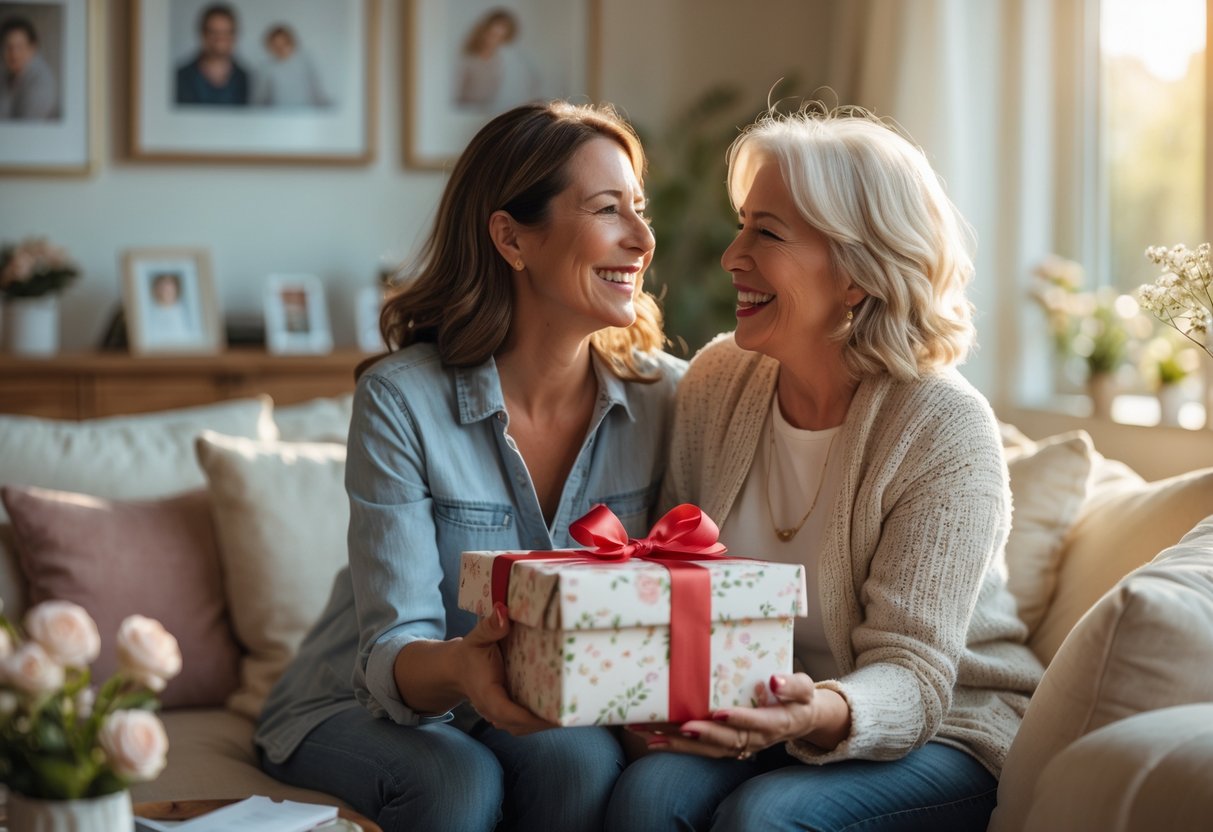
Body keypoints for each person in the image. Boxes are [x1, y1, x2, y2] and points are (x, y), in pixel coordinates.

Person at [607, 104, 1044, 831]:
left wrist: (814, 712)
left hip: (942, 726)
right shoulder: (719, 378)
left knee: (766, 816)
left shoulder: (942, 426)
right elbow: (676, 581)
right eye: (742, 222)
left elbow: (913, 675)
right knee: (646, 794)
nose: (731, 255)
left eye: (766, 233)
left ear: (855, 274)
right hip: (765, 713)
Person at [255, 101, 682, 832]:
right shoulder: (400, 401)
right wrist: (464, 668)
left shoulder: (668, 398)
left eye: (638, 210)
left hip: (534, 702)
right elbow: (392, 647)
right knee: (456, 782)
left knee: (579, 763)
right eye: (609, 209)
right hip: (359, 700)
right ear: (511, 238)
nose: (641, 239)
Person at [456, 8, 539, 113]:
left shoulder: (511, 61)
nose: (494, 41)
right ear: (484, 31)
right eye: (492, 34)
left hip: (496, 112)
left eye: (500, 37)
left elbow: (531, 84)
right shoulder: (469, 59)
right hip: (468, 111)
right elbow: (460, 93)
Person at [175, 3, 249, 106]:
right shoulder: (180, 77)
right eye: (214, 32)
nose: (220, 39)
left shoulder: (247, 79)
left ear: (234, 36)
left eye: (226, 33)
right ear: (203, 33)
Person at [251, 24, 329, 108]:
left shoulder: (304, 62)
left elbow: (316, 91)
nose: (281, 50)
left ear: (292, 43)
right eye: (276, 46)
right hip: (276, 116)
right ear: (270, 47)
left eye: (284, 44)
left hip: (304, 114)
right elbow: (259, 98)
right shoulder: (266, 68)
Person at [0, 16, 58, 120]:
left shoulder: (42, 81)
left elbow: (26, 126)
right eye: (9, 47)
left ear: (33, 48)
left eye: (20, 47)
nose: (14, 54)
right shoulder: (6, 74)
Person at [144, 272, 197, 346]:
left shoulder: (186, 312)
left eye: (169, 285)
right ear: (156, 288)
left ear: (176, 288)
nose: (166, 289)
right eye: (162, 286)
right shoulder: (149, 312)